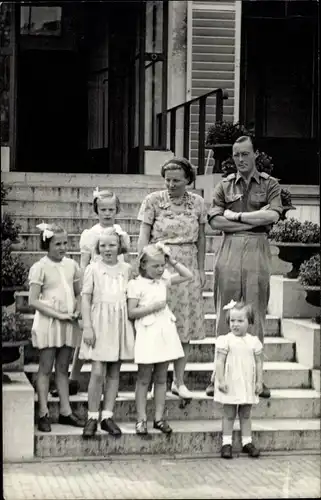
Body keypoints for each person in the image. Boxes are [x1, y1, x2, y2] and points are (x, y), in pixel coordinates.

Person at [206, 136, 283, 399]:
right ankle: (218, 375)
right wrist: (253, 222)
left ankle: (257, 378)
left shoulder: (270, 184)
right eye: (236, 155)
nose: (240, 159)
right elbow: (215, 222)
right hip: (229, 247)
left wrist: (237, 216)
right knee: (225, 310)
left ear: (255, 155)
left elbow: (273, 215)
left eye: (245, 154)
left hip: (258, 249)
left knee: (256, 311)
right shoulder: (224, 185)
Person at [137, 157, 206, 400]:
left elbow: (201, 238)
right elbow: (143, 236)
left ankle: (179, 380)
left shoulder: (198, 202)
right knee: (160, 326)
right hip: (159, 265)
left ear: (188, 179)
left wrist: (200, 269)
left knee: (183, 327)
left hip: (187, 267)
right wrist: (142, 268)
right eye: (167, 179)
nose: (171, 184)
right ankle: (158, 382)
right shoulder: (153, 201)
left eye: (176, 180)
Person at [52, 188, 130, 397]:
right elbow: (83, 265)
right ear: (96, 210)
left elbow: (124, 262)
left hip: (114, 288)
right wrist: (80, 293)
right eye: (103, 209)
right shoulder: (91, 234)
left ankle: (109, 385)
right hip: (95, 287)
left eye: (111, 209)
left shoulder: (120, 234)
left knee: (112, 335)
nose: (107, 213)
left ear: (117, 210)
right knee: (88, 336)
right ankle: (73, 377)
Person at [127, 243, 192, 435]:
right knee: (144, 378)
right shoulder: (135, 284)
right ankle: (141, 419)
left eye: (162, 265)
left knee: (162, 378)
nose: (160, 269)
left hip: (165, 332)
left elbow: (187, 276)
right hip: (148, 333)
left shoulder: (163, 279)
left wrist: (171, 260)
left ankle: (159, 417)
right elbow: (131, 312)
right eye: (155, 266)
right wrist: (153, 308)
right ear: (143, 265)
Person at [28, 223, 85, 432]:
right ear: (47, 244)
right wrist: (59, 314)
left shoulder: (72, 265)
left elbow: (78, 293)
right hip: (49, 322)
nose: (62, 248)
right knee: (45, 367)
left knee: (63, 369)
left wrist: (77, 309)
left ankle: (65, 411)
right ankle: (43, 412)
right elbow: (33, 301)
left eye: (65, 243)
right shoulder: (40, 267)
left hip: (68, 323)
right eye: (57, 244)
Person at [80, 226, 134, 438]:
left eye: (112, 245)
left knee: (114, 372)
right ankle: (92, 415)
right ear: (97, 248)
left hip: (119, 323)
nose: (107, 249)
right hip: (99, 322)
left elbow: (131, 297)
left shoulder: (127, 269)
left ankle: (107, 416)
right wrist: (87, 326)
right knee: (97, 371)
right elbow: (85, 298)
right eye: (103, 245)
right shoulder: (93, 269)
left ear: (120, 246)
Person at [215, 300, 263, 459]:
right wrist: (220, 380)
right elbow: (220, 361)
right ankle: (226, 443)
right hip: (230, 382)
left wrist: (259, 381)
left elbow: (259, 362)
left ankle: (246, 442)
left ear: (249, 322)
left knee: (246, 413)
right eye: (232, 321)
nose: (235, 324)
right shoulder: (225, 340)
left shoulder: (253, 341)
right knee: (229, 413)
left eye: (240, 321)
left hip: (247, 381)